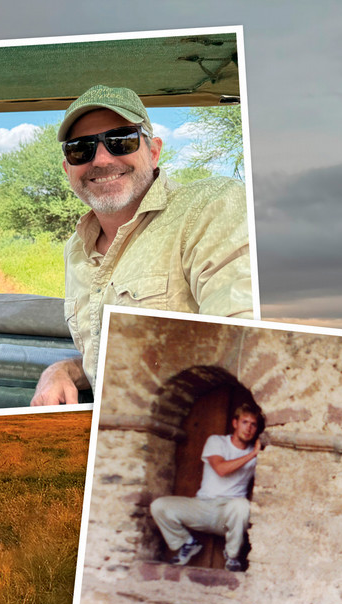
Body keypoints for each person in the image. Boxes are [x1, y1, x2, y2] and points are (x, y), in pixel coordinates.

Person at [31, 85, 255, 405]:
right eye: (81, 149)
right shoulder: (76, 250)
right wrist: (61, 370)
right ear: (68, 169)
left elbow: (243, 336)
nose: (102, 158)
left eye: (122, 140)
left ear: (153, 152)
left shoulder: (210, 206)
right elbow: (107, 357)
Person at [149, 404, 264, 572]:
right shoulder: (216, 441)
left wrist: (257, 454)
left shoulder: (258, 455)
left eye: (253, 424)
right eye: (244, 422)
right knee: (159, 505)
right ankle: (186, 544)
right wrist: (253, 454)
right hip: (203, 506)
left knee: (242, 506)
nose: (248, 428)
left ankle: (232, 556)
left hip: (228, 513)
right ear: (235, 423)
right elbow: (221, 469)